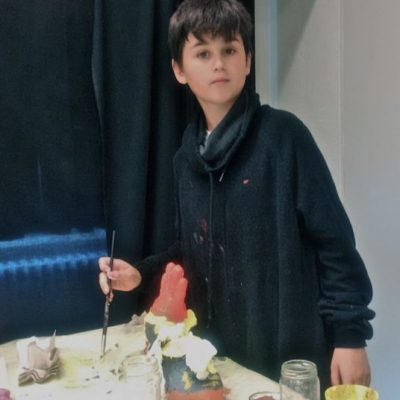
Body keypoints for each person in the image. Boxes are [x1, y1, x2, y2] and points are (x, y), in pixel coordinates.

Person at [99, 0, 375, 392]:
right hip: (219, 360)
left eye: (229, 49)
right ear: (179, 69)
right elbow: (190, 249)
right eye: (203, 53)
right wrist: (139, 273)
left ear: (247, 61)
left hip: (288, 357)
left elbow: (334, 244)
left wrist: (350, 336)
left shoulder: (284, 138)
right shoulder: (186, 160)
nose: (219, 64)